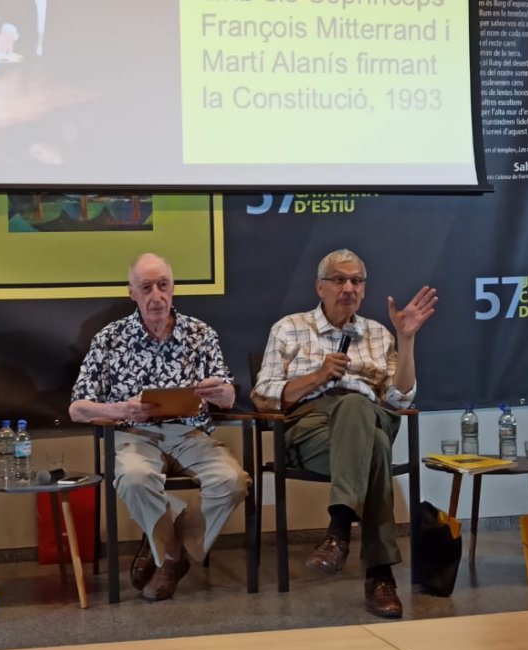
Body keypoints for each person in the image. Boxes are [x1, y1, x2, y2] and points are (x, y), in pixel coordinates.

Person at [252, 249, 437, 618]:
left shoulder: (378, 334)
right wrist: (317, 377)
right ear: (320, 287)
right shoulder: (289, 328)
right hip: (311, 427)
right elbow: (263, 397)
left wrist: (407, 340)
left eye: (357, 281)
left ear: (364, 290)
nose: (349, 287)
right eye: (339, 279)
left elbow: (400, 396)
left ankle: (338, 531)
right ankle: (380, 576)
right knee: (377, 449)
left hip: (371, 414)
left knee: (357, 407)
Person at [69, 253, 249, 601]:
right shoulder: (110, 338)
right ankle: (172, 557)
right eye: (146, 288)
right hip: (134, 434)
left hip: (190, 433)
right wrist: (122, 408)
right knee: (135, 478)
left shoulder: (200, 334)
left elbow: (227, 396)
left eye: (163, 286)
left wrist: (224, 392)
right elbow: (77, 408)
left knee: (232, 481)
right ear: (132, 293)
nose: (156, 296)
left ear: (173, 288)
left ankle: (166, 543)